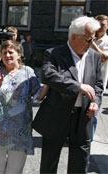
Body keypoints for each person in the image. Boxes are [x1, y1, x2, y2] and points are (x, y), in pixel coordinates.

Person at [32, 16, 103, 173]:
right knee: (49, 161)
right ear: (74, 37)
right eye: (89, 39)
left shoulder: (95, 57)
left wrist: (95, 102)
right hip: (57, 115)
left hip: (83, 117)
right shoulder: (54, 54)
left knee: (80, 161)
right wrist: (78, 87)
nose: (92, 43)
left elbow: (98, 85)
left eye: (94, 39)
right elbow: (49, 76)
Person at [0, 40, 48, 174]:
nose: (7, 55)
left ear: (19, 54)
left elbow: (38, 95)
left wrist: (48, 84)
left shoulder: (27, 72)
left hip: (20, 132)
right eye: (4, 53)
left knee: (13, 171)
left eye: (10, 52)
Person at [91, 14, 108, 139]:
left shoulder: (106, 42)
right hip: (85, 79)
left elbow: (103, 57)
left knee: (94, 109)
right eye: (98, 24)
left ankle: (88, 137)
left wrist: (92, 44)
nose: (100, 27)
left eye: (103, 24)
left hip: (99, 81)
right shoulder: (90, 38)